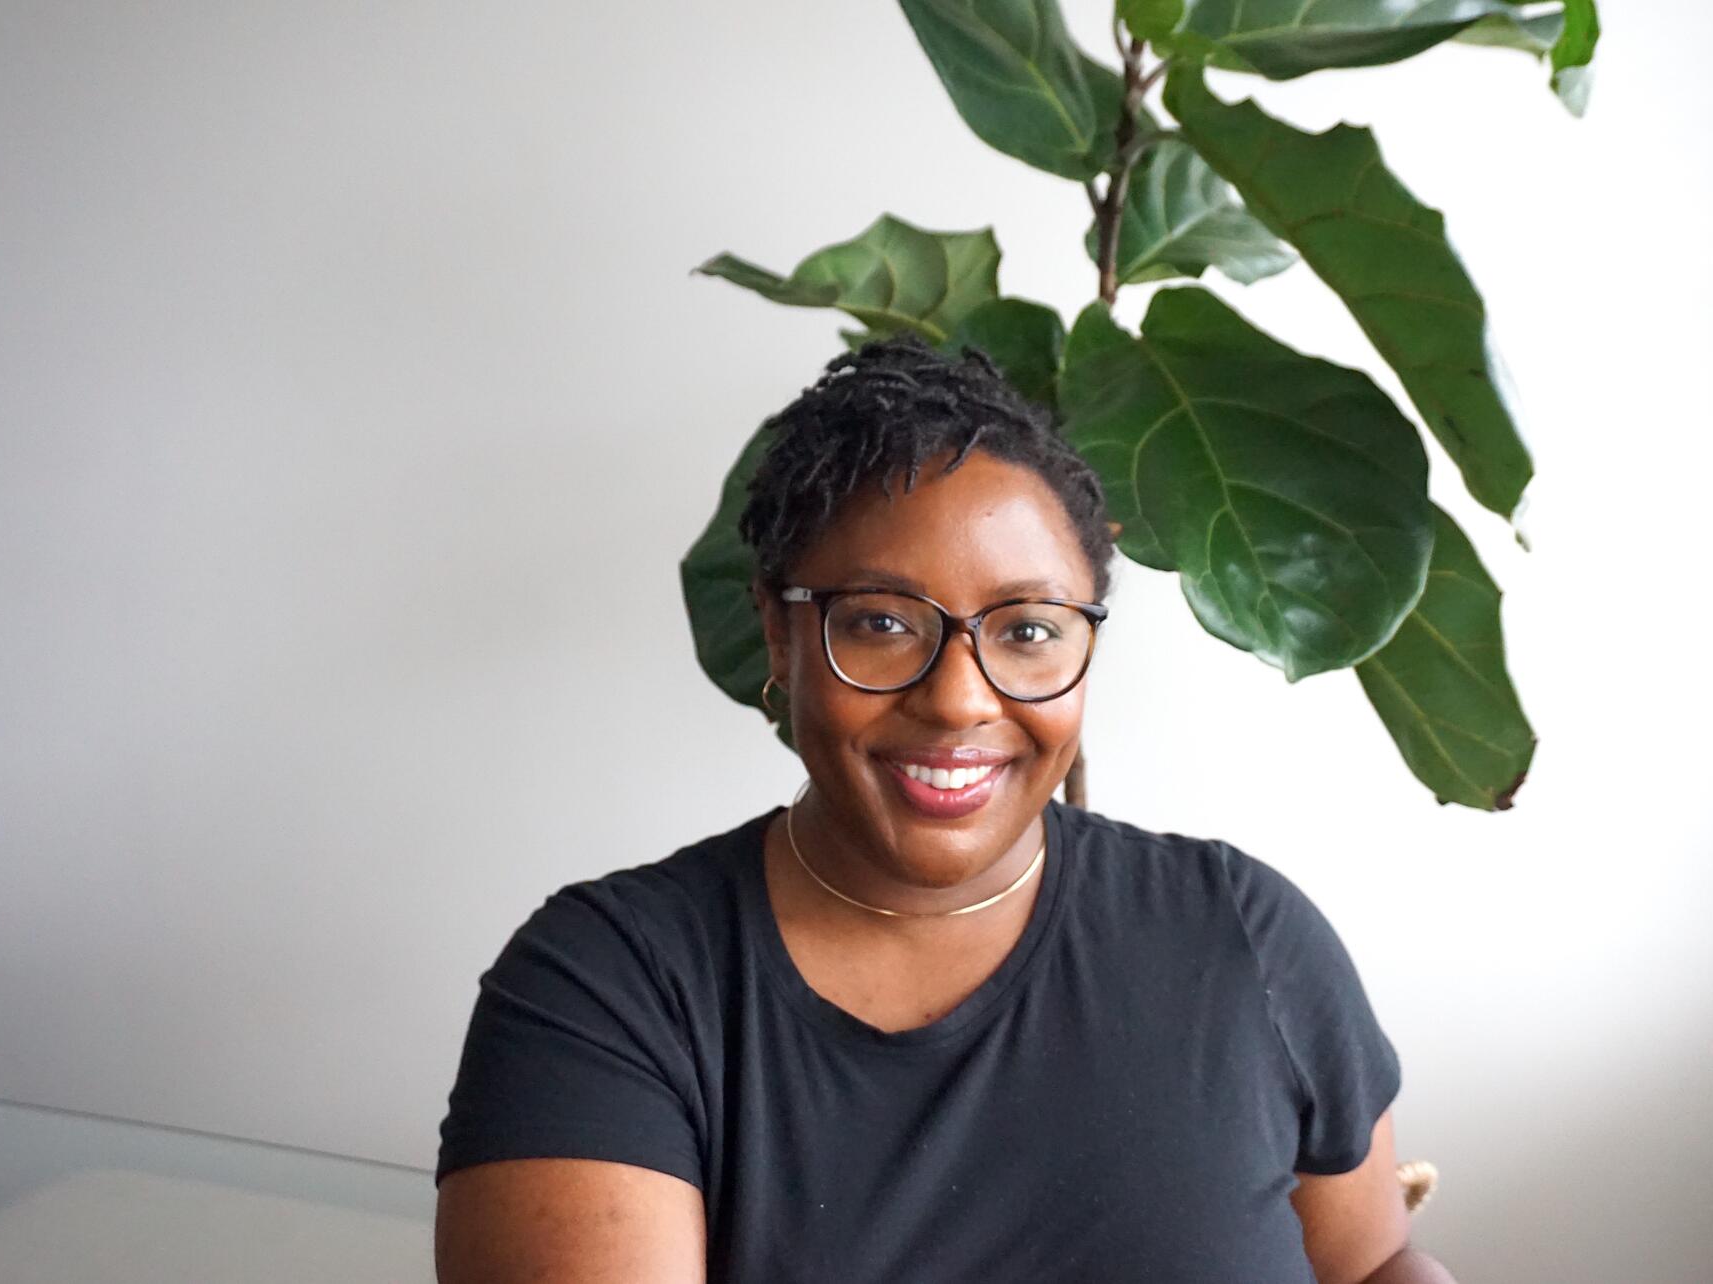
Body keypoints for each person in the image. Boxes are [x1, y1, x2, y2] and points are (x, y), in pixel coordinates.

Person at [432, 336, 1456, 1284]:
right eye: (879, 621)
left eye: (1025, 629)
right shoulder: (610, 989)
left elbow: (1372, 1267)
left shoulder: (1241, 931)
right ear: (779, 636)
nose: (959, 698)